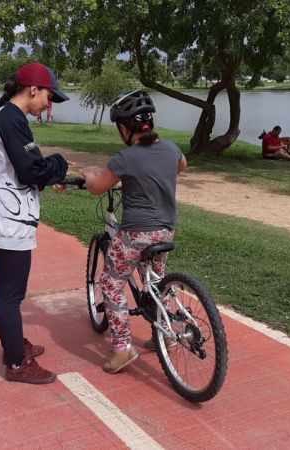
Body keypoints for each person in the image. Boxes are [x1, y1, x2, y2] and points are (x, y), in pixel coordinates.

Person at [81, 90, 187, 374]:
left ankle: (123, 347)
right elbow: (182, 166)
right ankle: (165, 333)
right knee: (156, 282)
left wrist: (88, 174)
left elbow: (96, 187)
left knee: (111, 283)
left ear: (124, 128)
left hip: (135, 234)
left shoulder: (125, 158)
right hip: (166, 230)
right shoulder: (171, 149)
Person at [0, 62, 70, 384]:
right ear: (33, 89)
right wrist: (59, 163)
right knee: (9, 296)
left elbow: (25, 166)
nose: (49, 104)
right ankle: (17, 363)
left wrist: (49, 174)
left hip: (8, 218)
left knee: (7, 293)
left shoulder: (7, 116)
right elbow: (31, 171)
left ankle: (14, 346)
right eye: (48, 96)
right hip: (9, 223)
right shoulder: (10, 118)